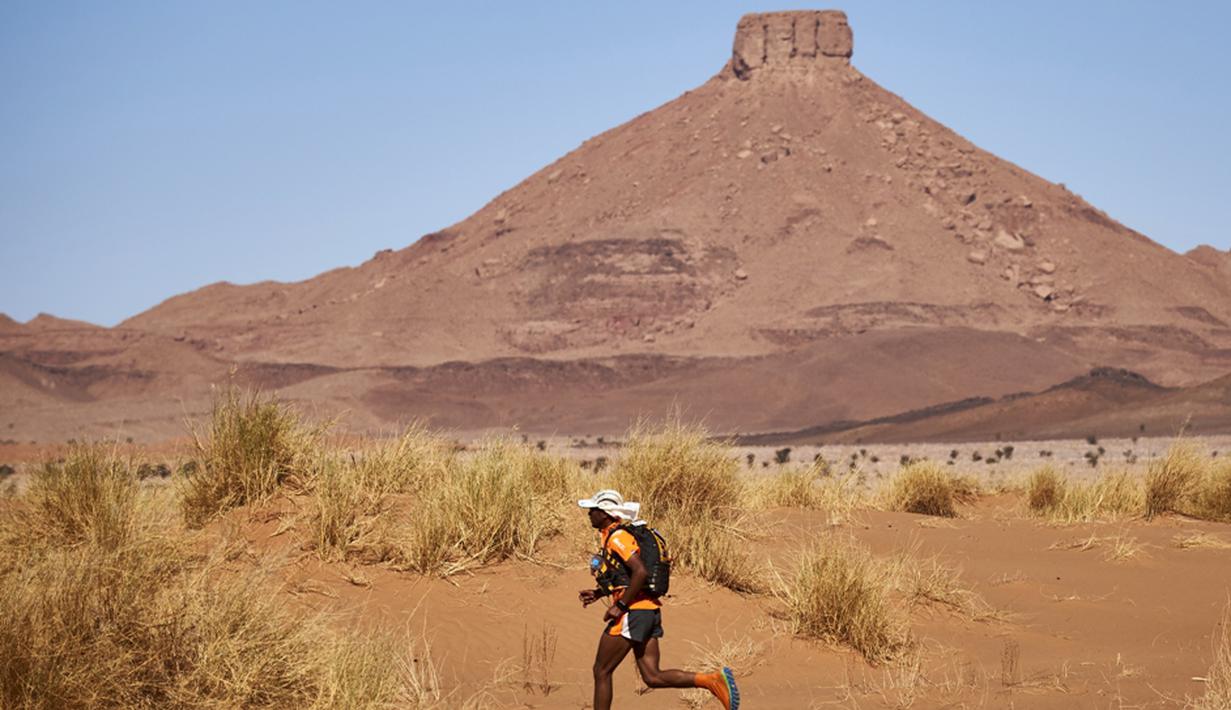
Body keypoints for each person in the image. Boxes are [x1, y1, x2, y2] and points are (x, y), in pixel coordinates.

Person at [578, 489, 739, 710]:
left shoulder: (618, 537)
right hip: (648, 611)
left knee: (601, 671)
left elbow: (640, 572)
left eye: (593, 510)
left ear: (606, 513)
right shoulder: (613, 536)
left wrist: (621, 606)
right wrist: (599, 593)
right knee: (652, 676)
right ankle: (711, 681)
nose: (589, 514)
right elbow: (624, 576)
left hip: (632, 612)